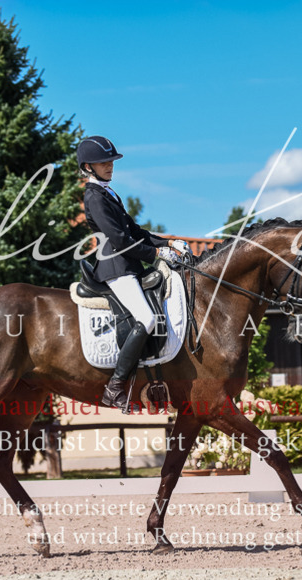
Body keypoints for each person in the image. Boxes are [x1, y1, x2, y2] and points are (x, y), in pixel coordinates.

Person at [77, 135, 188, 410]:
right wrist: (156, 255)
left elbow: (136, 232)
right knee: (147, 318)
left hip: (129, 266)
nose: (110, 166)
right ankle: (115, 387)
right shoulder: (94, 196)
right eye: (104, 162)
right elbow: (120, 240)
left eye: (112, 161)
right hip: (116, 268)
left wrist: (168, 243)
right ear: (89, 166)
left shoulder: (108, 193)